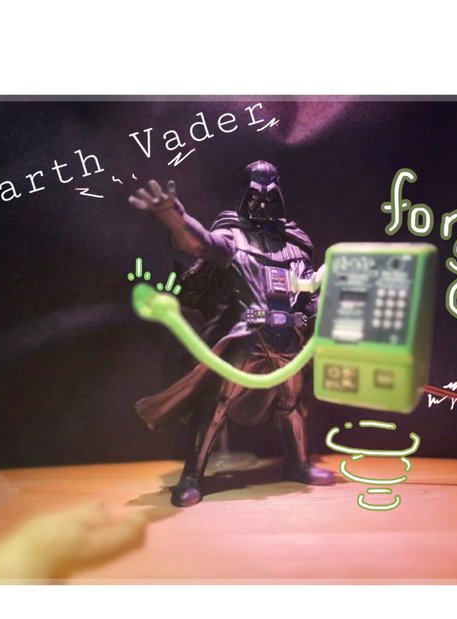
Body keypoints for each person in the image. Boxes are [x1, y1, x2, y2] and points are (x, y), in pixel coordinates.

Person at [129, 161, 334, 507]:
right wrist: (175, 218)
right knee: (217, 404)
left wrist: (317, 314)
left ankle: (298, 463)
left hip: (290, 339)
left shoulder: (296, 243)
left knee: (293, 403)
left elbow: (309, 291)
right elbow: (202, 244)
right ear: (244, 196)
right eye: (255, 194)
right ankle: (192, 475)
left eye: (270, 194)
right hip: (248, 337)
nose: (263, 202)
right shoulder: (233, 238)